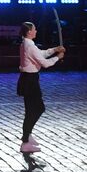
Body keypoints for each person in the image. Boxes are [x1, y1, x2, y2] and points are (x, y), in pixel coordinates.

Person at [17, 21, 65, 154]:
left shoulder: (27, 44)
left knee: (31, 110)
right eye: (34, 29)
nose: (36, 31)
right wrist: (57, 57)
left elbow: (40, 54)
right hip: (30, 81)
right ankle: (25, 140)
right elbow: (44, 63)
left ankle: (27, 136)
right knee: (38, 109)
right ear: (29, 32)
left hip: (28, 79)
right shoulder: (29, 45)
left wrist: (54, 50)